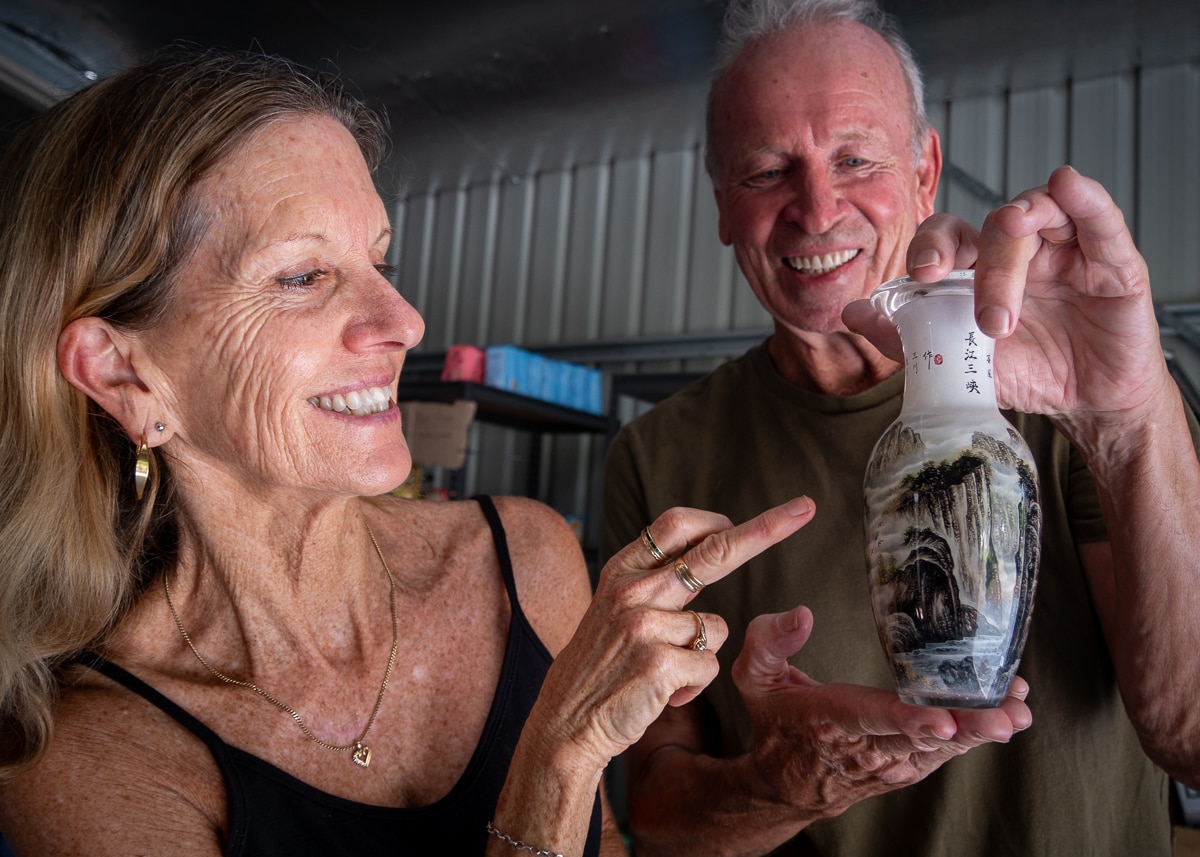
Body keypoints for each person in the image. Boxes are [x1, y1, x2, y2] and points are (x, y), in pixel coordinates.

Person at [0, 46, 819, 856]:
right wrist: (559, 757)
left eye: (380, 259)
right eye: (302, 276)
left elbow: (601, 841)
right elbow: (569, 794)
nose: (404, 320)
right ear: (124, 373)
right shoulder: (90, 758)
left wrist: (780, 785)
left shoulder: (525, 558)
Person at [600, 0, 1200, 855]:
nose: (815, 208)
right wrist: (780, 784)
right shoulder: (658, 457)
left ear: (925, 170)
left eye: (855, 158)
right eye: (768, 170)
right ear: (723, 205)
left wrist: (1128, 415)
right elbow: (655, 811)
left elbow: (1192, 738)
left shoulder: (1070, 402)